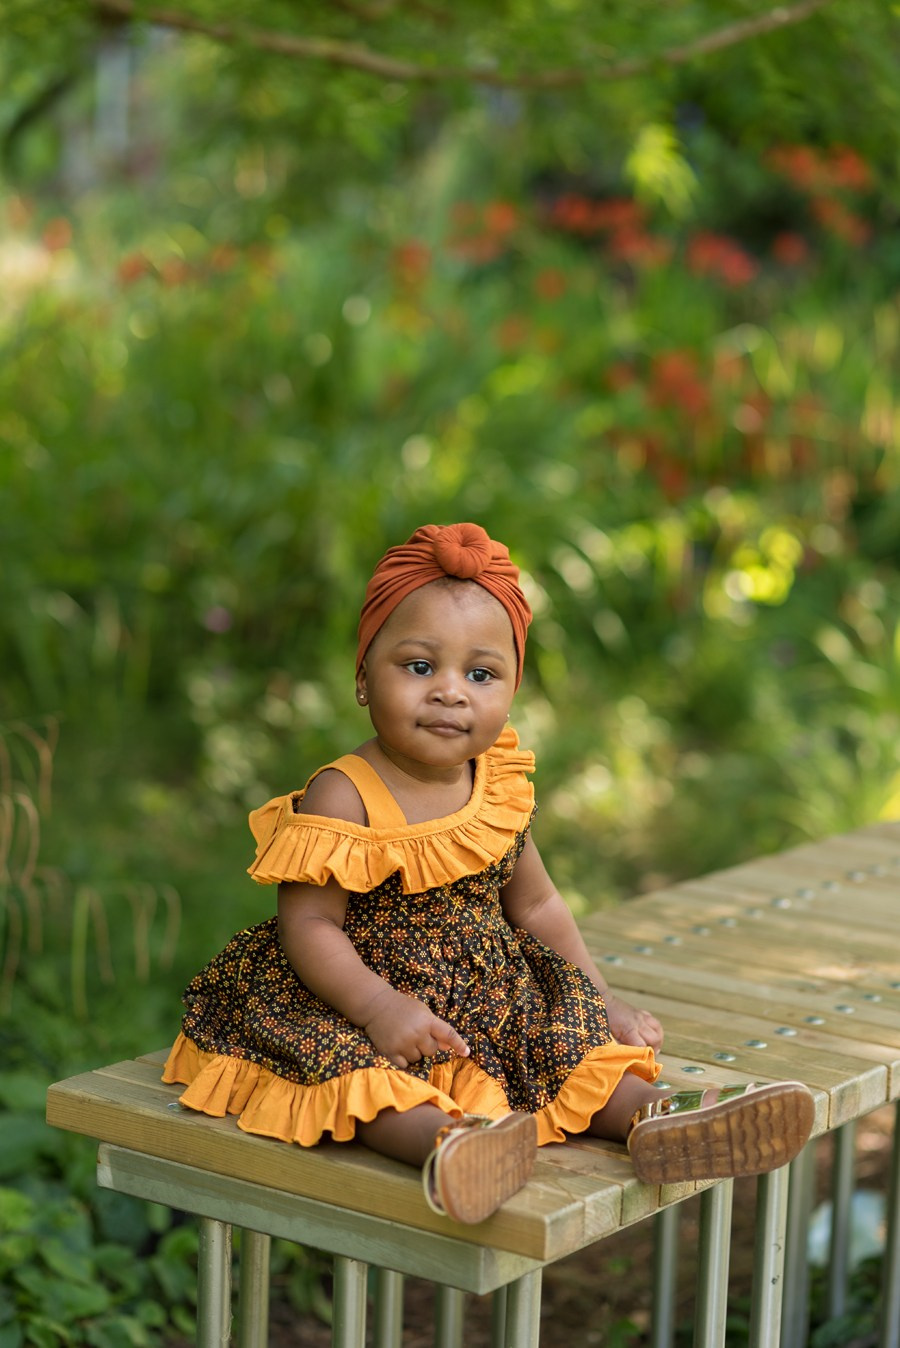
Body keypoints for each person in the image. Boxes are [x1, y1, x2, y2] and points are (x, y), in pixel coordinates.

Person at [163, 522, 814, 1224]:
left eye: (481, 674)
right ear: (362, 676)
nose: (450, 693)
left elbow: (536, 908)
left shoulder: (494, 785)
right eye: (419, 667)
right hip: (356, 996)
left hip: (487, 996)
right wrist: (380, 1009)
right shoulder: (344, 793)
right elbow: (311, 923)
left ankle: (663, 1118)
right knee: (369, 1083)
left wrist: (602, 1004)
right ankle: (455, 1146)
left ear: (512, 689)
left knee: (564, 1044)